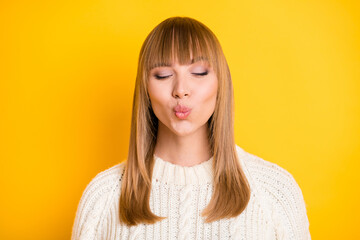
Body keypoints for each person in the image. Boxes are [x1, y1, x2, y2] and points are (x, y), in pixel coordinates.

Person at [71, 16, 311, 240]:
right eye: (163, 75)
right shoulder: (103, 197)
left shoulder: (275, 191)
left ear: (220, 83)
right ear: (145, 88)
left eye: (198, 72)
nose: (181, 89)